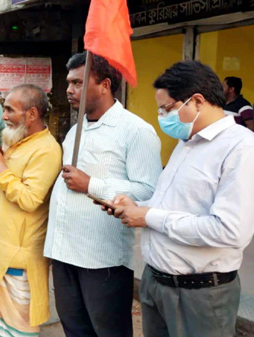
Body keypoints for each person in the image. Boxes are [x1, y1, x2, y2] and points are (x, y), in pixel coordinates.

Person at [107, 61, 254, 337]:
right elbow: (175, 203)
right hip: (156, 283)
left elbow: (230, 231)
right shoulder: (186, 142)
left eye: (168, 108)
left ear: (197, 101)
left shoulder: (241, 148)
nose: (162, 116)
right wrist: (138, 207)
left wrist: (148, 216)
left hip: (200, 294)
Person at [43, 52, 162, 337]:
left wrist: (92, 184)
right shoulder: (76, 129)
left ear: (105, 84)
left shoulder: (136, 131)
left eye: (78, 83)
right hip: (63, 252)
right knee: (75, 329)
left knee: (108, 332)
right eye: (69, 83)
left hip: (101, 259)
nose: (69, 90)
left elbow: (149, 191)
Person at [0, 84, 62, 337]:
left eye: (10, 110)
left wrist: (0, 166)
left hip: (15, 256)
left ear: (31, 115)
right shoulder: (17, 140)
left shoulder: (47, 149)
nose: (4, 116)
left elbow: (30, 199)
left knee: (14, 329)